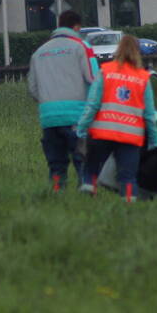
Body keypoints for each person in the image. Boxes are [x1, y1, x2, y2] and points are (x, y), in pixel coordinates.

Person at [76, 34, 157, 203]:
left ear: (118, 49)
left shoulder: (105, 71)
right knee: (127, 176)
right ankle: (128, 203)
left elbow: (92, 104)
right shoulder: (143, 78)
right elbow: (150, 115)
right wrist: (154, 139)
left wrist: (82, 128)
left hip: (103, 132)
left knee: (91, 166)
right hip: (130, 135)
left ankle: (88, 190)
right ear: (138, 52)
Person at [28, 10, 98, 192]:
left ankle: (58, 190)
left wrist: (47, 101)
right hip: (77, 115)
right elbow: (93, 79)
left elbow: (33, 88)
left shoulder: (39, 52)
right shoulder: (81, 47)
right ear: (76, 27)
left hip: (48, 117)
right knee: (82, 158)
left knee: (56, 162)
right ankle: (86, 189)